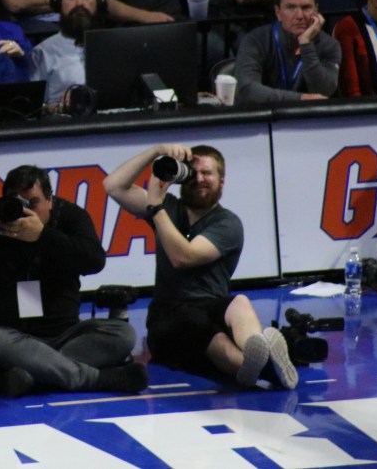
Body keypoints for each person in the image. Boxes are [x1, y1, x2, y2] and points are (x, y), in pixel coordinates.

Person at [103, 143, 298, 389]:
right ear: (181, 176)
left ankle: (258, 352)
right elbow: (113, 185)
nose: (199, 179)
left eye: (207, 173)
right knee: (208, 333)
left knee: (239, 303)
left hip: (211, 307)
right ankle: (265, 367)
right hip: (169, 319)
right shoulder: (169, 207)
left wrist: (155, 208)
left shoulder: (227, 223)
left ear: (222, 181)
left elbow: (184, 256)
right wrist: (155, 152)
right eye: (193, 173)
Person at [0, 164, 145, 398]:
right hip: (6, 336)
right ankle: (93, 378)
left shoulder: (70, 216)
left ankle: (31, 375)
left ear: (50, 200)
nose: (23, 210)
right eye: (15, 202)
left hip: (62, 336)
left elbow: (94, 261)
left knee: (123, 334)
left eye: (33, 203)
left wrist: (44, 236)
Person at [234, 0, 341, 104]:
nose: (300, 16)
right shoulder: (255, 40)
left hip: (309, 120)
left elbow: (324, 91)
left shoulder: (330, 46)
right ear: (278, 12)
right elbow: (247, 90)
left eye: (306, 8)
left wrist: (306, 44)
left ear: (316, 10)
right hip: (265, 120)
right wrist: (299, 99)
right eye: (291, 8)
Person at [30, 0, 106, 107]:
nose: (79, 3)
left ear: (99, 1)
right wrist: (53, 109)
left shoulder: (116, 46)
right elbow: (32, 110)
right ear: (57, 2)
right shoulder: (42, 52)